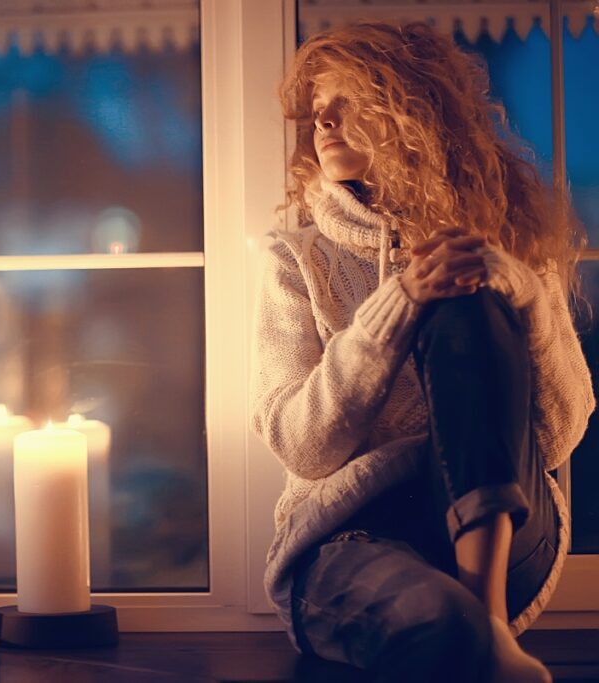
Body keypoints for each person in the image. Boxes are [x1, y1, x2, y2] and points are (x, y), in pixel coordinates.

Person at [251, 20, 595, 683]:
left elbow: (559, 437)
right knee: (442, 625)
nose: (323, 123)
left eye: (345, 103)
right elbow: (303, 446)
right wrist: (399, 301)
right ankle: (481, 633)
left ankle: (488, 619)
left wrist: (520, 293)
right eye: (317, 112)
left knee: (470, 301)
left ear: (406, 108)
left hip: (505, 537)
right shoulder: (293, 260)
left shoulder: (498, 251)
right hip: (352, 535)